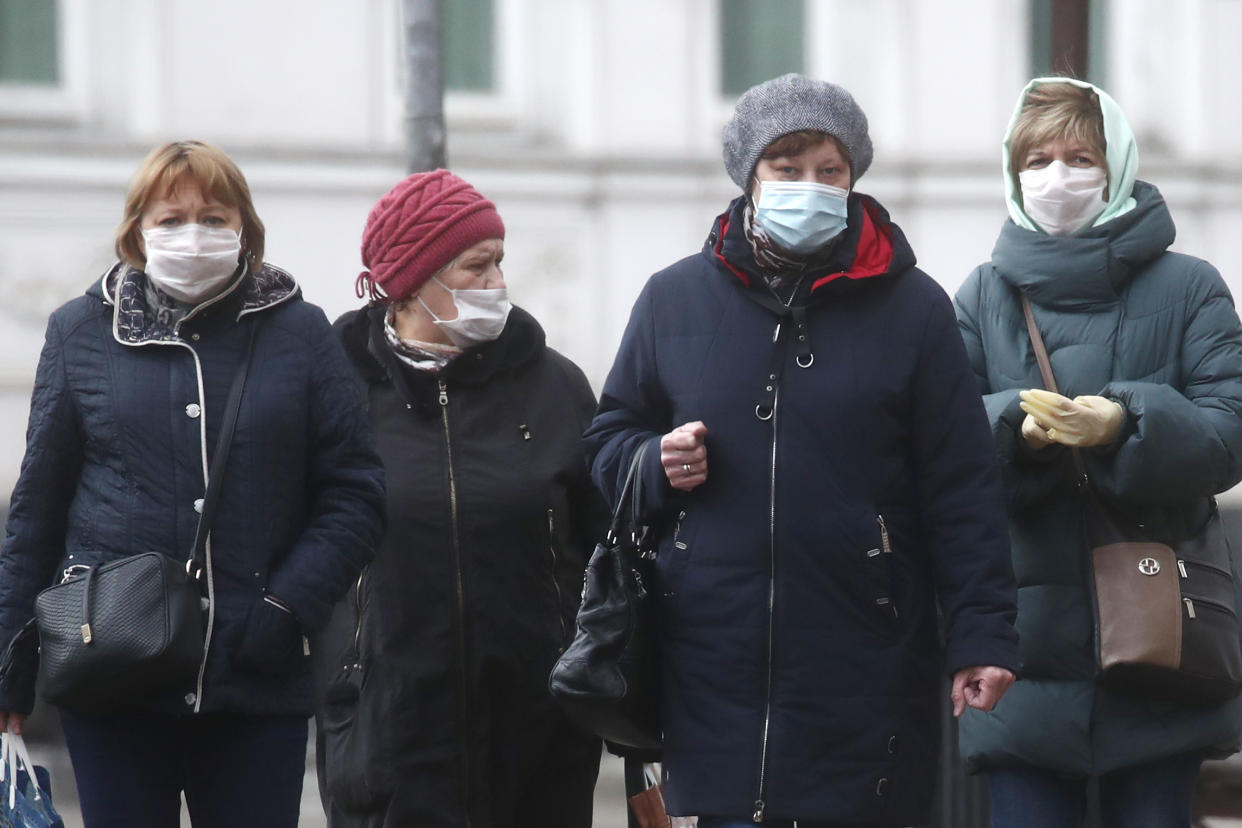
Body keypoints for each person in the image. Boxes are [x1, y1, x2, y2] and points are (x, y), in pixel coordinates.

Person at [583, 73, 1021, 828]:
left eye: (830, 171)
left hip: (866, 654)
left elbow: (961, 485)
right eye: (787, 170)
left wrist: (983, 635)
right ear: (749, 177)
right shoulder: (673, 299)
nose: (809, 187)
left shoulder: (913, 309)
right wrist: (653, 463)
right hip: (709, 658)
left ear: (854, 179)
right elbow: (609, 440)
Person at [0, 140, 387, 828]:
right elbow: (37, 511)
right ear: (136, 230)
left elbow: (355, 493)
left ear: (245, 229)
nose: (193, 232)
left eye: (214, 216)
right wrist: (10, 668)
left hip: (255, 683)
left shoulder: (299, 333)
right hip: (111, 673)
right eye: (172, 217)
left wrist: (288, 606)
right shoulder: (79, 332)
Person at [954, 77, 1242, 827]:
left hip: (1161, 649)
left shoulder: (1191, 288)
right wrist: (1013, 429)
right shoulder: (983, 296)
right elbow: (939, 451)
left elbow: (1230, 433)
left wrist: (1127, 423)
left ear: (1115, 166)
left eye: (1079, 156)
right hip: (1019, 654)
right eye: (1037, 158)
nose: (1057, 176)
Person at [313, 169, 604, 827]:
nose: (498, 282)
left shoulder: (554, 387)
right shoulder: (334, 392)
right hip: (386, 728)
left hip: (537, 731)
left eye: (500, 261)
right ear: (416, 279)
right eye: (478, 265)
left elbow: (599, 542)